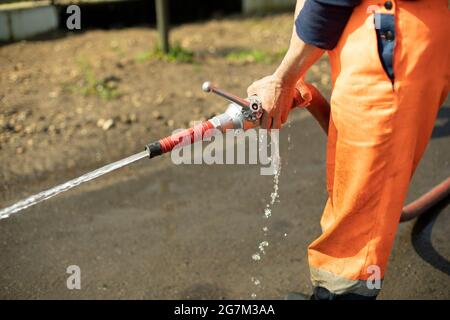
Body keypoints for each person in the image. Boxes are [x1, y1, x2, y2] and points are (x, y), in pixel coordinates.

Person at [247, 0, 449, 300]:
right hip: (388, 27)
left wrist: (283, 78)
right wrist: (290, 75)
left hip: (389, 32)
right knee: (355, 181)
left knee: (363, 202)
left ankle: (340, 295)